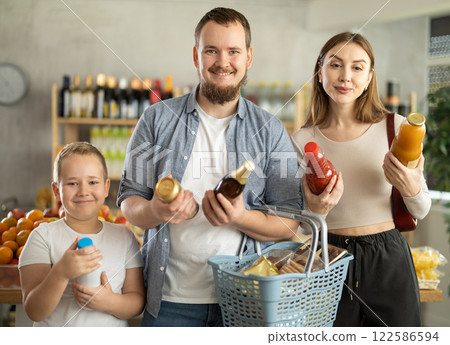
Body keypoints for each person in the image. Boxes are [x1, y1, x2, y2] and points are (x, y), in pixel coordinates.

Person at [117, 7, 301, 327]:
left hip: (245, 300)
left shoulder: (270, 130)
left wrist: (241, 217)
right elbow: (130, 202)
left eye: (233, 51)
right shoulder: (157, 119)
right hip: (170, 303)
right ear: (196, 55)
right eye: (211, 50)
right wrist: (158, 211)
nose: (222, 61)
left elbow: (289, 222)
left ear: (249, 57)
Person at [291, 32, 431, 327]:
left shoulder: (397, 128)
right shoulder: (302, 140)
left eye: (357, 67)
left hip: (388, 257)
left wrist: (410, 187)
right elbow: (301, 226)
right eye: (335, 65)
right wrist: (317, 211)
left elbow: (420, 209)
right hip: (327, 259)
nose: (345, 77)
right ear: (319, 72)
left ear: (369, 77)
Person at [19, 142, 145, 326]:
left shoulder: (124, 237)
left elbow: (137, 301)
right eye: (72, 183)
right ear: (56, 191)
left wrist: (109, 301)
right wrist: (61, 272)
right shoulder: (42, 237)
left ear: (106, 187)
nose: (83, 191)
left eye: (93, 182)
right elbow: (34, 310)